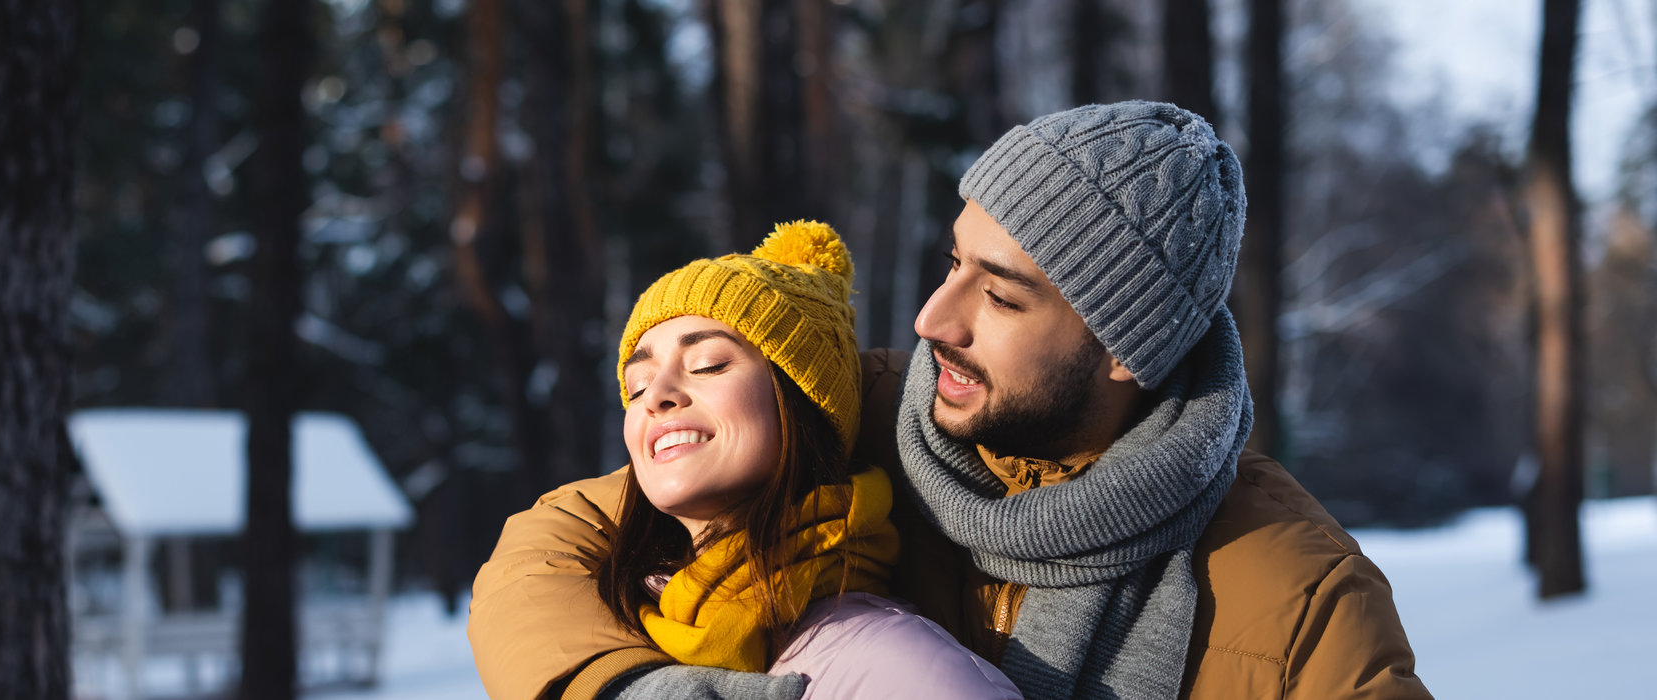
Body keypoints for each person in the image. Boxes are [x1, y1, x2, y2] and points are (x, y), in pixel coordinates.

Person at [469, 101, 1431, 700]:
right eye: (951, 264)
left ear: (1126, 353)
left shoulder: (1302, 595)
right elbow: (547, 546)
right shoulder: (868, 411)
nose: (935, 319)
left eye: (1000, 295)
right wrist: (627, 690)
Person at [580, 220, 1022, 699]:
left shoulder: (904, 672)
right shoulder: (629, 620)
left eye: (708, 364)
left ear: (804, 403)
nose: (656, 396)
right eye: (636, 385)